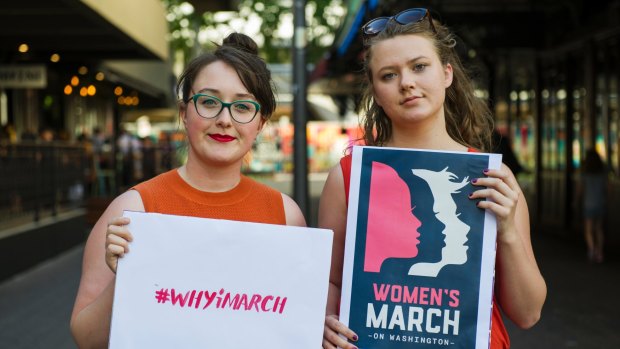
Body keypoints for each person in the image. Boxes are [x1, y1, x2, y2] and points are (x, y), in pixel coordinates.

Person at [319, 8, 546, 349]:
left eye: (419, 66)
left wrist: (509, 231)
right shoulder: (349, 176)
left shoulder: (492, 176)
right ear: (376, 92)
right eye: (388, 75)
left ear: (447, 74)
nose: (407, 82)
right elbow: (332, 283)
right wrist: (324, 321)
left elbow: (528, 313)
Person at [69, 33, 306, 349]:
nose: (224, 119)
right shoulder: (132, 211)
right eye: (209, 102)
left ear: (260, 123)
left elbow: (294, 324)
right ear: (184, 113)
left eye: (243, 106)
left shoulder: (285, 215)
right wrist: (126, 279)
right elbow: (86, 339)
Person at [578, 148, 607, 263]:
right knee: (599, 229)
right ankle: (599, 252)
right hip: (600, 203)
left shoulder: (585, 173)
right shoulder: (602, 173)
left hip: (588, 204)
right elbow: (608, 189)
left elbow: (580, 189)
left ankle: (591, 250)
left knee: (588, 229)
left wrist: (576, 201)